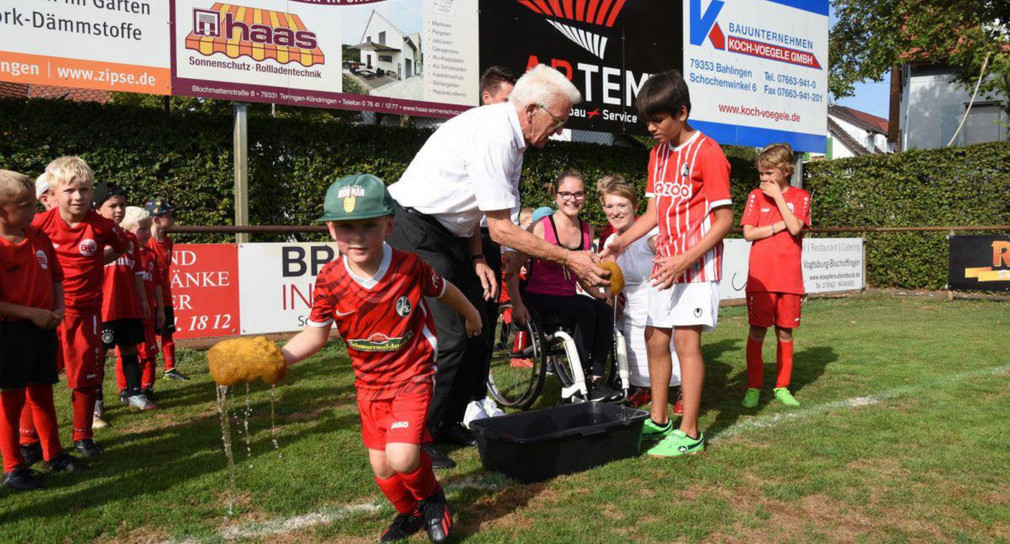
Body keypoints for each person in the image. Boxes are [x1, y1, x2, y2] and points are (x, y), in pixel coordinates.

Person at [386, 64, 607, 468]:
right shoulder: (495, 134)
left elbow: (477, 210)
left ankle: (450, 422)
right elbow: (503, 231)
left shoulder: (512, 137)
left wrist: (474, 257)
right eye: (558, 121)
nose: (558, 131)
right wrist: (571, 258)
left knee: (479, 327)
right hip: (417, 229)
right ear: (532, 110)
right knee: (449, 336)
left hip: (453, 234)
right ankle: (417, 437)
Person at [279, 174, 481, 544]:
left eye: (368, 225)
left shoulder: (409, 267)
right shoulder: (328, 280)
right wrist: (277, 359)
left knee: (404, 457)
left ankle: (433, 500)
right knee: (383, 468)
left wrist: (473, 315)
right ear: (330, 229)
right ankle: (410, 513)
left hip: (412, 375)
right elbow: (315, 334)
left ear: (389, 226)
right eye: (345, 227)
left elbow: (445, 290)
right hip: (368, 386)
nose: (356, 236)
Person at [602, 70, 733, 457]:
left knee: (684, 342)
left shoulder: (708, 152)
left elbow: (725, 219)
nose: (651, 127)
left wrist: (685, 260)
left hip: (695, 267)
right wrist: (620, 244)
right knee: (654, 337)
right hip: (665, 265)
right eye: (647, 120)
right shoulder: (656, 155)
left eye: (658, 120)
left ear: (682, 111)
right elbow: (654, 212)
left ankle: (690, 431)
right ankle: (659, 420)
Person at [31, 156, 129, 458]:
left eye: (84, 190)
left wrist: (99, 261)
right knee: (35, 377)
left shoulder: (101, 226)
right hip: (47, 313)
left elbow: (123, 246)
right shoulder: (38, 224)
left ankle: (83, 437)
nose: (78, 196)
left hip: (86, 312)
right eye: (70, 190)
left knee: (86, 377)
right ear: (53, 193)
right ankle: (30, 442)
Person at [0, 170, 88, 491]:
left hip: (43, 326)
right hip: (11, 333)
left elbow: (56, 278)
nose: (33, 212)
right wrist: (30, 313)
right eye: (23, 205)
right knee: (11, 401)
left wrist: (59, 309)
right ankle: (14, 467)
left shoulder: (39, 238)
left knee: (43, 393)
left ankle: (54, 454)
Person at [512, 170, 617, 401]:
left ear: (585, 196)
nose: (572, 199)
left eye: (578, 194)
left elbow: (581, 273)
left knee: (603, 309)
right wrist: (516, 304)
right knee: (586, 310)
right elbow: (512, 269)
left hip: (568, 298)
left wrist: (599, 294)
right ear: (557, 196)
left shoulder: (587, 229)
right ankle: (578, 378)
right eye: (566, 193)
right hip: (539, 297)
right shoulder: (541, 227)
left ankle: (596, 378)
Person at [463, 65, 522, 426]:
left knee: (486, 318)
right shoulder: (477, 132)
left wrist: (512, 246)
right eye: (506, 100)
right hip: (469, 236)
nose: (512, 108)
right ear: (487, 99)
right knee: (466, 323)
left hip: (495, 235)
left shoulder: (513, 139)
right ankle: (465, 402)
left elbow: (509, 197)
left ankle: (480, 396)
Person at [598, 176, 682, 410]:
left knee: (673, 353)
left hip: (661, 309)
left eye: (622, 205)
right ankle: (647, 389)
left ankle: (683, 390)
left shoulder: (651, 234)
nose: (616, 212)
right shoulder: (611, 241)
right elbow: (608, 279)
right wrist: (611, 293)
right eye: (610, 206)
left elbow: (670, 259)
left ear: (635, 207)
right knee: (638, 366)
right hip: (630, 314)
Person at [741, 143, 811, 408]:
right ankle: (753, 387)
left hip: (789, 278)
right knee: (757, 331)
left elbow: (795, 228)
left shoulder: (801, 196)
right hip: (761, 277)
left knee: (785, 333)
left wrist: (780, 201)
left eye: (769, 173)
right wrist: (778, 225)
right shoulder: (755, 196)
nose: (764, 179)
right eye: (761, 174)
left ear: (785, 171)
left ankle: (782, 387)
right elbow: (749, 233)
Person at [95, 184, 153, 414]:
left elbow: (138, 272)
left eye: (122, 205)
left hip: (127, 305)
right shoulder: (93, 234)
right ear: (98, 208)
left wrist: (143, 300)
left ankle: (134, 393)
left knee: (130, 349)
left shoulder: (128, 237)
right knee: (97, 355)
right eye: (112, 205)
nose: (118, 210)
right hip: (102, 307)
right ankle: (96, 401)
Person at [115, 207, 165, 404]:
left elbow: (157, 285)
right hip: (128, 312)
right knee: (125, 352)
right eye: (142, 229)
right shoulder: (121, 255)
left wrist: (160, 308)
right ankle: (124, 389)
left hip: (148, 312)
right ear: (127, 229)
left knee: (150, 352)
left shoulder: (151, 256)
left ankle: (146, 387)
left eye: (147, 229)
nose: (146, 233)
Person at [146, 198, 187, 381]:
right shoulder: (145, 243)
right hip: (149, 297)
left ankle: (170, 369)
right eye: (167, 215)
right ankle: (145, 375)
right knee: (146, 336)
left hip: (165, 296)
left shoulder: (168, 242)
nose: (171, 219)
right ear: (155, 219)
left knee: (168, 332)